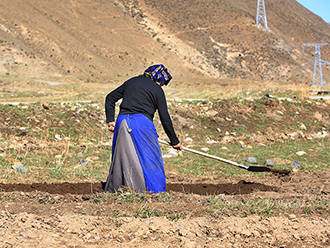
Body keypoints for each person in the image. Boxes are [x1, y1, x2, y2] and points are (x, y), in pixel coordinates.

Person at [103, 64, 182, 194]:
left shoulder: (130, 82)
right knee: (151, 158)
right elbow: (165, 117)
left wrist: (110, 120)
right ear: (158, 79)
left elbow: (110, 98)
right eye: (162, 83)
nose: (161, 85)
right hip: (141, 123)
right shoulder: (157, 90)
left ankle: (117, 190)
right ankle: (156, 193)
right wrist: (174, 141)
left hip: (122, 121)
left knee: (122, 157)